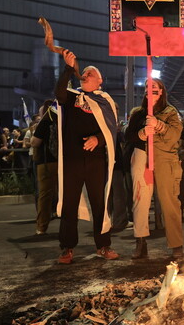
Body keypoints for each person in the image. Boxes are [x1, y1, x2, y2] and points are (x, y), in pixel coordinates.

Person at [55, 50, 119, 264]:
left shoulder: (104, 100)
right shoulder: (71, 96)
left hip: (95, 161)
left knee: (99, 203)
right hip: (72, 159)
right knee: (69, 203)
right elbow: (59, 93)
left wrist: (98, 139)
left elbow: (112, 128)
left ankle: (103, 245)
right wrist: (67, 67)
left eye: (90, 74)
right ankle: (67, 247)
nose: (86, 75)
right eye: (84, 73)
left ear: (99, 81)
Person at [125, 78, 183, 259]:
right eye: (148, 88)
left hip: (165, 159)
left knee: (169, 202)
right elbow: (128, 136)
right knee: (140, 201)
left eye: (155, 87)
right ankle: (140, 242)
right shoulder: (138, 113)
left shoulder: (171, 112)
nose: (151, 90)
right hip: (142, 158)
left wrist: (159, 125)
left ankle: (176, 245)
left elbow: (175, 135)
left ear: (162, 91)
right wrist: (141, 133)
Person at [30, 100, 58, 235]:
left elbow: (35, 142)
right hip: (62, 162)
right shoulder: (61, 122)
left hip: (46, 163)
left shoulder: (44, 123)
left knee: (45, 195)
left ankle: (42, 226)